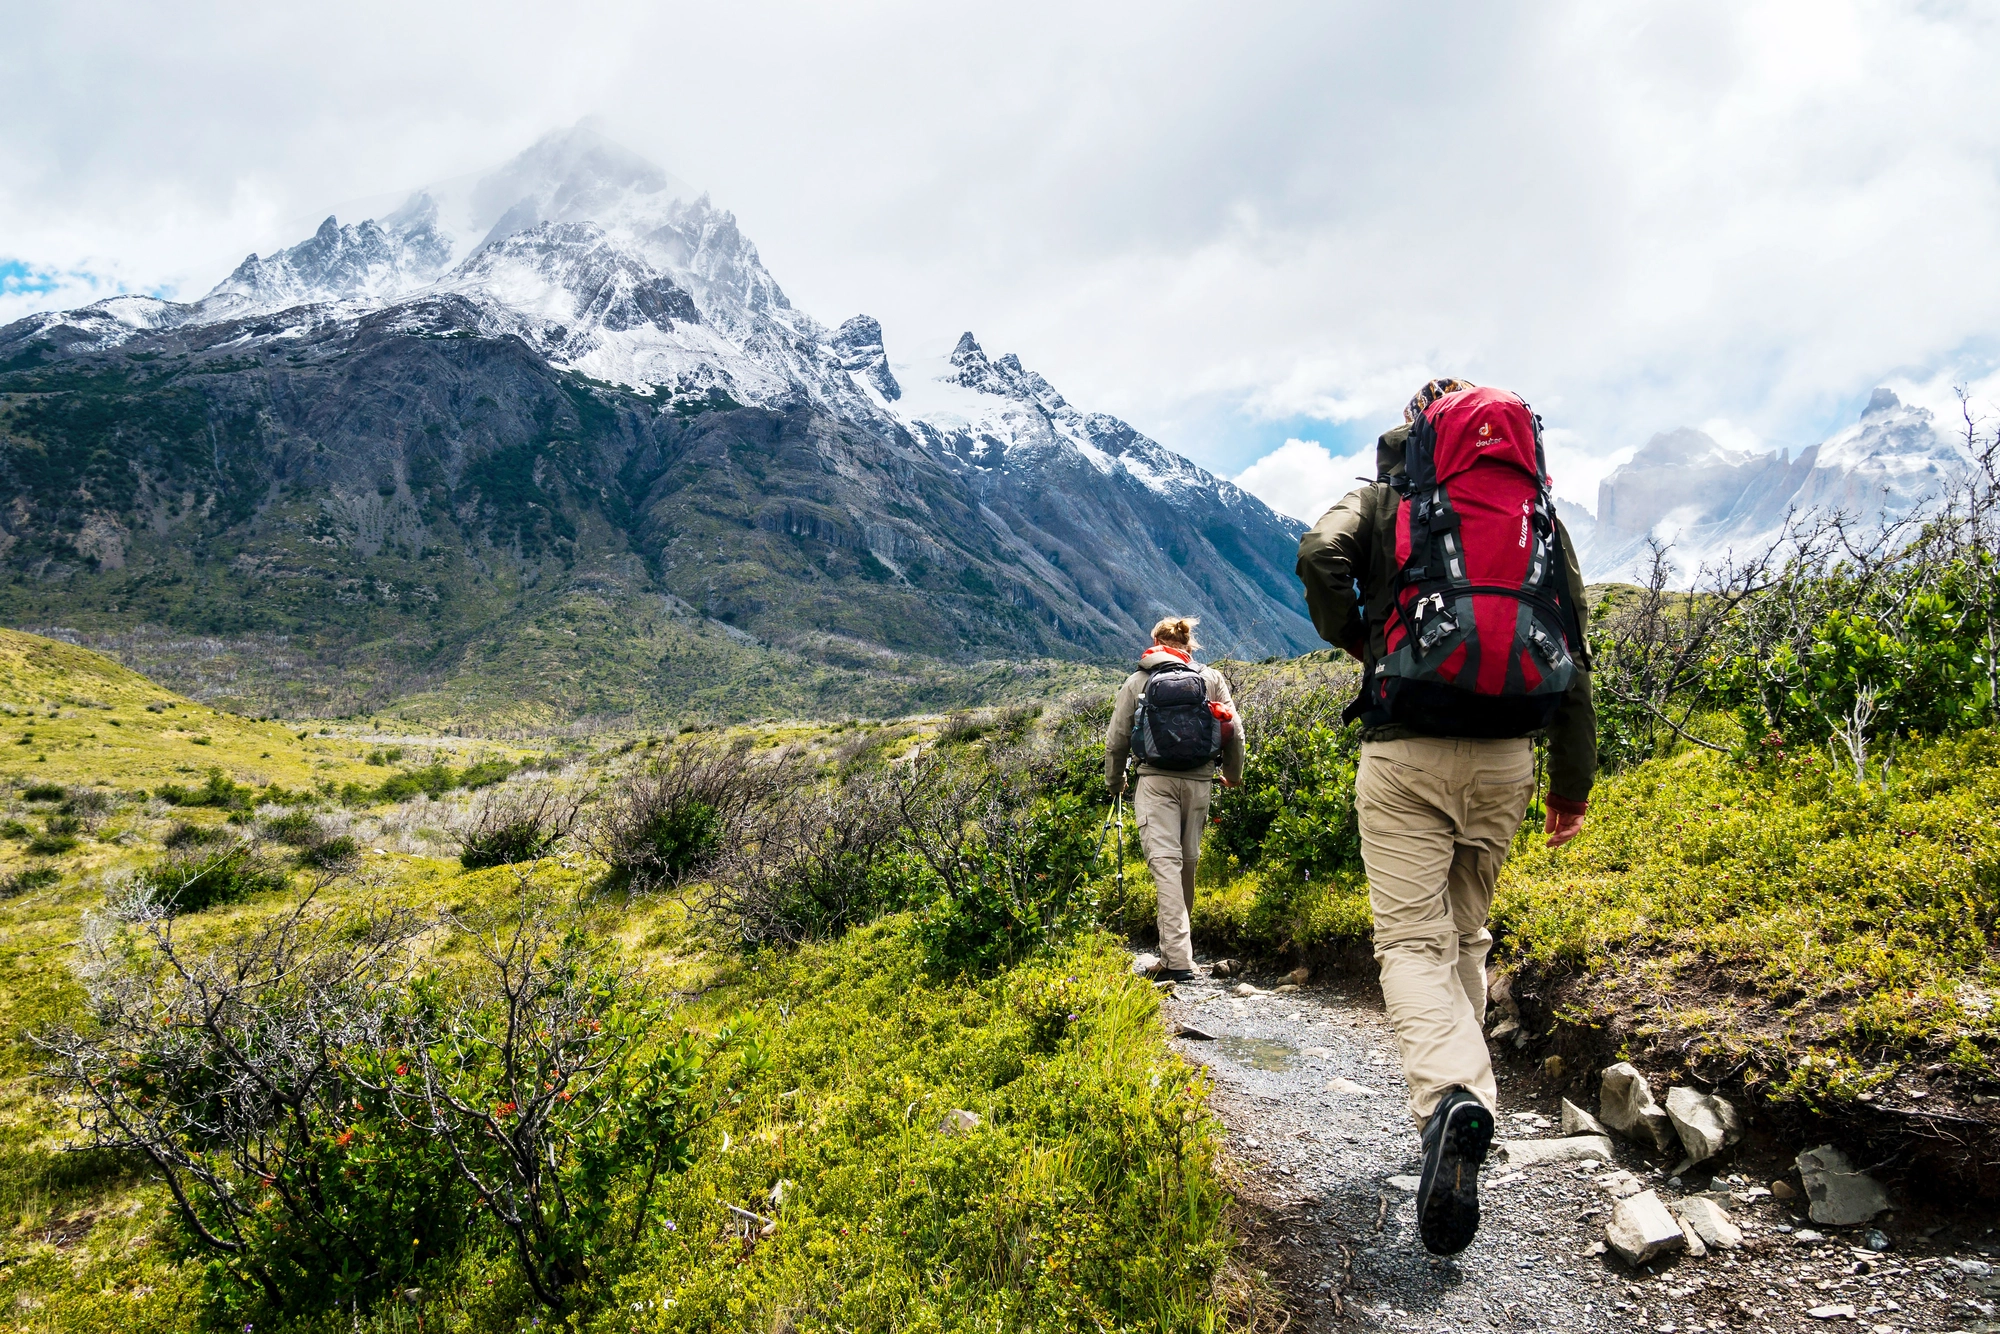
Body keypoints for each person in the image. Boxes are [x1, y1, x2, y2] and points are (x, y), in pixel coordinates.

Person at [1295, 377, 1596, 1257]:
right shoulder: (1535, 513)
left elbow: (1319, 555)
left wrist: (1358, 636)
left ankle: (1451, 1103)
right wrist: (1570, 788)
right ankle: (1467, 1109)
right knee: (1466, 936)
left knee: (1410, 944)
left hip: (1406, 750)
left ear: (1419, 429)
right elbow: (1573, 644)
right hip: (1508, 757)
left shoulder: (1388, 496)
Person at [1103, 616, 1246, 983]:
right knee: (1187, 864)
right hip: (1200, 782)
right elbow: (1235, 732)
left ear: (1155, 642)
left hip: (1155, 783)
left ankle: (1178, 960)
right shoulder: (1210, 678)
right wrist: (1231, 775)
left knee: (1165, 864)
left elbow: (1117, 739)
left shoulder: (1138, 680)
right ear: (1188, 644)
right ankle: (1177, 952)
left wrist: (1116, 781)